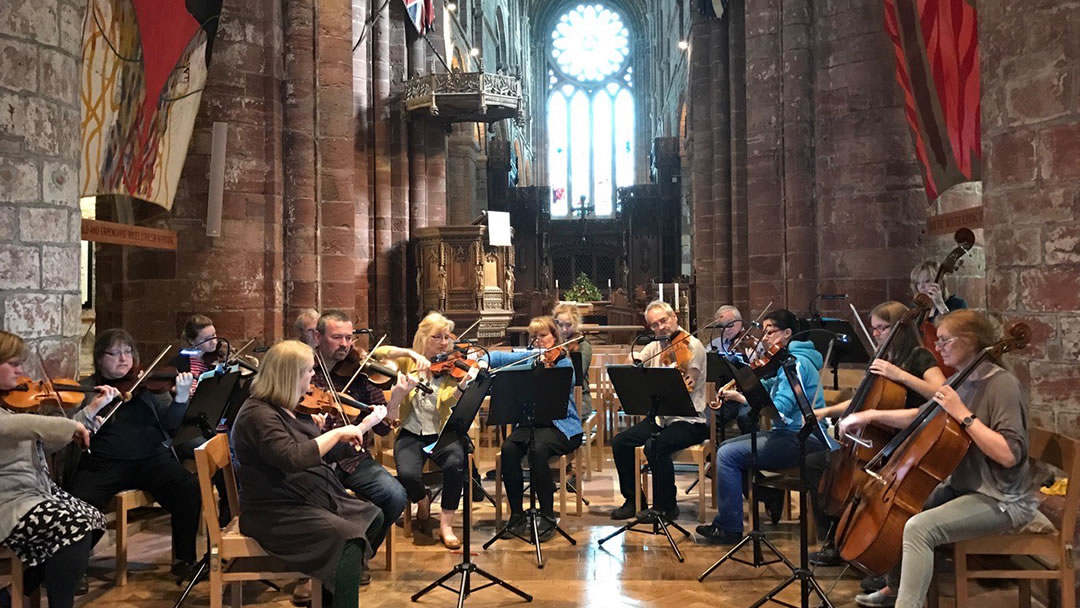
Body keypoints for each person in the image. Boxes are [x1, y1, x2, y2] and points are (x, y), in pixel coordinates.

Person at [844, 310, 1038, 608]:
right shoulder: (962, 377)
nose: (939, 347)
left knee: (920, 528)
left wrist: (964, 415)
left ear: (970, 341)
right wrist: (869, 415)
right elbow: (920, 415)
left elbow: (1009, 455)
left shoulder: (1002, 385)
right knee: (901, 509)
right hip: (966, 487)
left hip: (1002, 498)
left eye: (946, 340)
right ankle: (895, 590)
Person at [231, 340, 386, 608]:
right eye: (309, 370)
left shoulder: (287, 407)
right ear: (290, 375)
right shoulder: (257, 415)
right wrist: (336, 432)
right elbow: (293, 458)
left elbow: (319, 453)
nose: (314, 375)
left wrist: (355, 433)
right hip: (275, 511)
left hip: (304, 498)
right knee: (348, 538)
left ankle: (327, 597)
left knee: (374, 516)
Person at [802, 301, 946, 568]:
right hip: (875, 436)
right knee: (817, 464)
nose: (877, 333)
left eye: (883, 327)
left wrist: (900, 375)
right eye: (875, 328)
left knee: (847, 478)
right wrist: (826, 411)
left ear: (900, 328)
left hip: (902, 437)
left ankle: (863, 548)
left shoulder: (918, 356)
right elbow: (862, 399)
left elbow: (940, 392)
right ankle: (836, 539)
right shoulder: (882, 358)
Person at [65, 329, 202, 577]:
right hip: (102, 464)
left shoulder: (148, 385)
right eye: (114, 353)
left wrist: (181, 399)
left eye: (128, 352)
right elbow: (71, 431)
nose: (123, 359)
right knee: (78, 503)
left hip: (151, 461)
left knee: (189, 488)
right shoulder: (88, 390)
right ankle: (75, 569)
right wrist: (97, 406)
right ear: (99, 358)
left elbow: (172, 425)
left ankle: (185, 560)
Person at [0, 331, 120, 608]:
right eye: (13, 364)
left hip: (35, 493)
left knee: (93, 519)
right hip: (9, 502)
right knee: (73, 527)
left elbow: (42, 447)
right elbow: (17, 428)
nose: (21, 371)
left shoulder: (10, 405)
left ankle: (15, 592)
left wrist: (86, 419)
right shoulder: (10, 417)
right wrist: (70, 426)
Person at [696, 309, 830, 543]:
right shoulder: (786, 360)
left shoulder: (796, 363)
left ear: (787, 333)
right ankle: (768, 494)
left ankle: (730, 528)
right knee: (727, 448)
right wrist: (743, 385)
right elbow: (772, 385)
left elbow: (780, 409)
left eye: (770, 332)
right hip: (790, 434)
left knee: (727, 454)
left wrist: (743, 398)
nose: (765, 337)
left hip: (803, 437)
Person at [374, 312, 478, 550]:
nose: (443, 342)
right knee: (408, 475)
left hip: (442, 433)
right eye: (436, 337)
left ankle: (446, 525)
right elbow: (378, 354)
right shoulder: (408, 364)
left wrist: (461, 389)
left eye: (446, 337)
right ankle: (422, 500)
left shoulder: (453, 367)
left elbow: (448, 403)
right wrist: (409, 353)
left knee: (455, 464)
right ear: (423, 338)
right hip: (411, 433)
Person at [482, 316, 583, 542]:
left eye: (543, 336)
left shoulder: (563, 362)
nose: (538, 341)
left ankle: (547, 515)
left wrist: (540, 369)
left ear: (555, 337)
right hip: (530, 423)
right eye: (534, 337)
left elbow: (557, 395)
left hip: (561, 425)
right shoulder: (532, 357)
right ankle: (517, 514)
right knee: (509, 449)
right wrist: (482, 361)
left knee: (538, 451)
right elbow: (498, 357)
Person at [610, 300, 709, 521]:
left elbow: (689, 381)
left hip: (689, 420)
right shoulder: (656, 346)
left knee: (655, 445)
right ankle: (634, 500)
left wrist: (676, 371)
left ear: (674, 317)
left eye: (663, 321)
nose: (660, 327)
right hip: (660, 418)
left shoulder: (693, 346)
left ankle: (666, 506)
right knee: (620, 442)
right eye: (654, 325)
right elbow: (632, 361)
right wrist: (634, 362)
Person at [910, 260, 967, 374]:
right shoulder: (917, 312)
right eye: (918, 283)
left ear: (939, 282)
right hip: (923, 368)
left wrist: (940, 304)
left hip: (949, 366)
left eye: (926, 281)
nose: (921, 287)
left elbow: (958, 333)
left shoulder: (957, 304)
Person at [552, 303, 593, 416]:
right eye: (560, 325)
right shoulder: (553, 344)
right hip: (555, 397)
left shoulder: (583, 345)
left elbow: (577, 374)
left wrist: (564, 356)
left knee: (556, 415)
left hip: (580, 398)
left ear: (575, 324)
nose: (564, 329)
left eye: (568, 325)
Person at [166, 314, 220, 394]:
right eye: (207, 339)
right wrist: (177, 390)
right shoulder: (177, 364)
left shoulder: (219, 357)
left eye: (213, 335)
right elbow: (169, 388)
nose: (214, 342)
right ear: (192, 341)